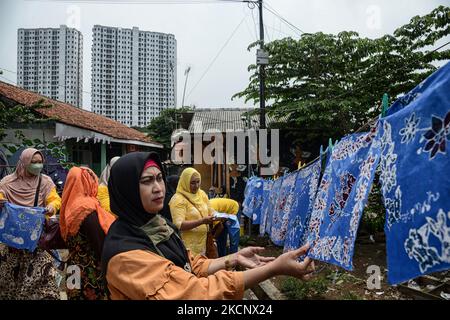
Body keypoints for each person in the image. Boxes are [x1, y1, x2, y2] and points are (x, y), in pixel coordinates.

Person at [102, 152, 315, 300]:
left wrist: (233, 258)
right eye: (146, 181)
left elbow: (190, 263)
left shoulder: (156, 224)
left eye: (159, 178)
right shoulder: (126, 254)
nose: (158, 188)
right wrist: (274, 268)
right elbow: (194, 293)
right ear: (127, 189)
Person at [0, 147, 62, 299]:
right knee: (9, 282)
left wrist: (51, 207)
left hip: (37, 242)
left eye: (40, 162)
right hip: (12, 242)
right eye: (33, 162)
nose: (38, 166)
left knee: (43, 281)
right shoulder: (7, 182)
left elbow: (55, 199)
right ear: (24, 162)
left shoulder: (45, 181)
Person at [59, 166, 116, 300]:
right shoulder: (87, 209)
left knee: (74, 296)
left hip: (73, 267)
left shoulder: (68, 206)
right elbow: (99, 243)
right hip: (90, 272)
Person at [169, 168, 215, 255]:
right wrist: (202, 221)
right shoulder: (178, 199)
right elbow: (179, 225)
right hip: (187, 248)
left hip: (203, 245)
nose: (196, 185)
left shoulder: (201, 194)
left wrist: (218, 217)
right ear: (185, 182)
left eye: (198, 182)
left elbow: (210, 210)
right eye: (193, 183)